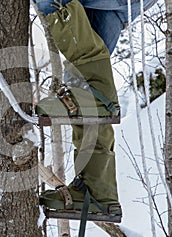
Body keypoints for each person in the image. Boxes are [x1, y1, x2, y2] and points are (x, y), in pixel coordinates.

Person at [35, 0, 157, 216]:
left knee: (52, 3)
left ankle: (93, 99)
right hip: (111, 8)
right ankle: (95, 194)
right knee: (83, 77)